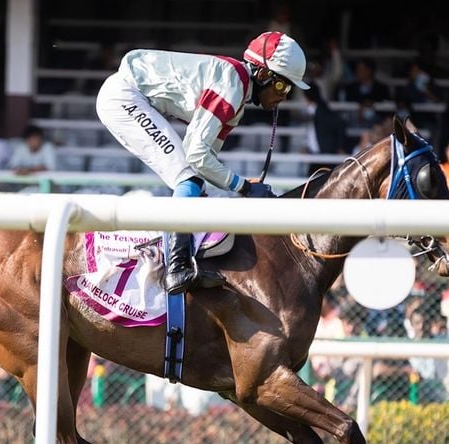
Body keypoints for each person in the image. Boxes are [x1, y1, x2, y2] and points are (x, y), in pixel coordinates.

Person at [95, 31, 308, 294]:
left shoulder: (237, 99)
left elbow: (206, 162)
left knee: (195, 180)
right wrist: (242, 187)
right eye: (282, 86)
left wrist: (239, 187)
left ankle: (190, 259)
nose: (284, 96)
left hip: (131, 97)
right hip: (124, 97)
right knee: (188, 178)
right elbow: (196, 155)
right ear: (264, 75)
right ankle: (177, 268)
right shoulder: (232, 83)